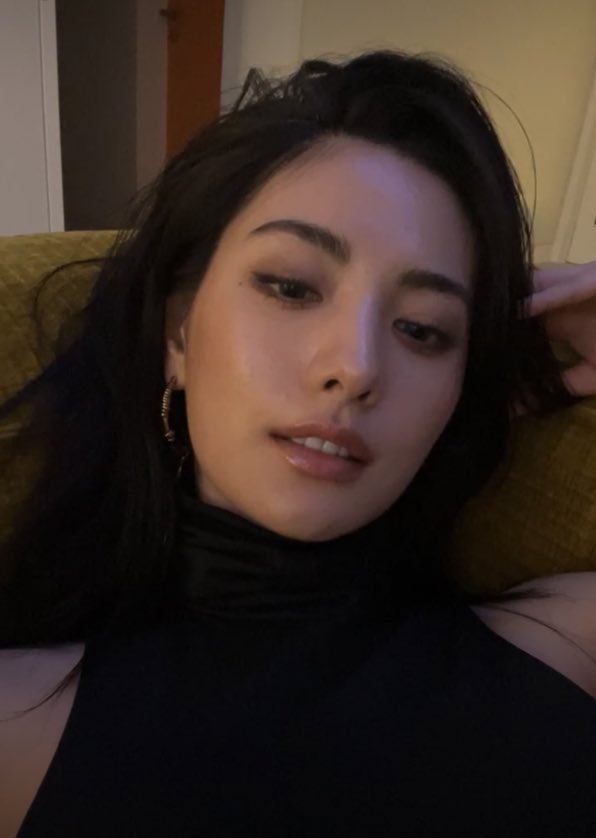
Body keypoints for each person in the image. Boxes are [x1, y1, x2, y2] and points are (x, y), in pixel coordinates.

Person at [1, 49, 596, 837]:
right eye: (290, 287)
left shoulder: (570, 645)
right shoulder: (16, 724)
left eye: (423, 330)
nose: (356, 366)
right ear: (177, 332)